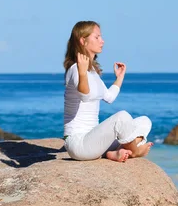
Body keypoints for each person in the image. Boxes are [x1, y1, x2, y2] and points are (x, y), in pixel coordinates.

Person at [63, 20, 153, 162]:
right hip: (79, 144)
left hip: (94, 141)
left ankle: (111, 153)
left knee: (144, 121)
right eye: (97, 37)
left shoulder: (93, 72)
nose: (102, 41)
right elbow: (84, 96)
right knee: (122, 117)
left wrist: (120, 77)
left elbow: (109, 97)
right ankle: (134, 151)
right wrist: (82, 74)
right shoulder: (75, 69)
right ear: (83, 40)